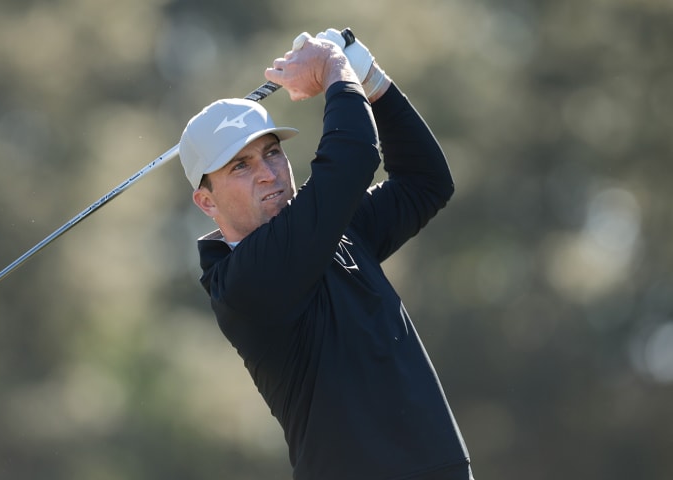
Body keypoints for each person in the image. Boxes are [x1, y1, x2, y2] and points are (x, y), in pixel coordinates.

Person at [178, 28, 473, 480]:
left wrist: (369, 77)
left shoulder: (329, 227)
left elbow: (426, 181)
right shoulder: (246, 282)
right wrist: (335, 66)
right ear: (206, 202)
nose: (268, 174)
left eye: (272, 153)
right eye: (241, 166)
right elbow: (352, 155)